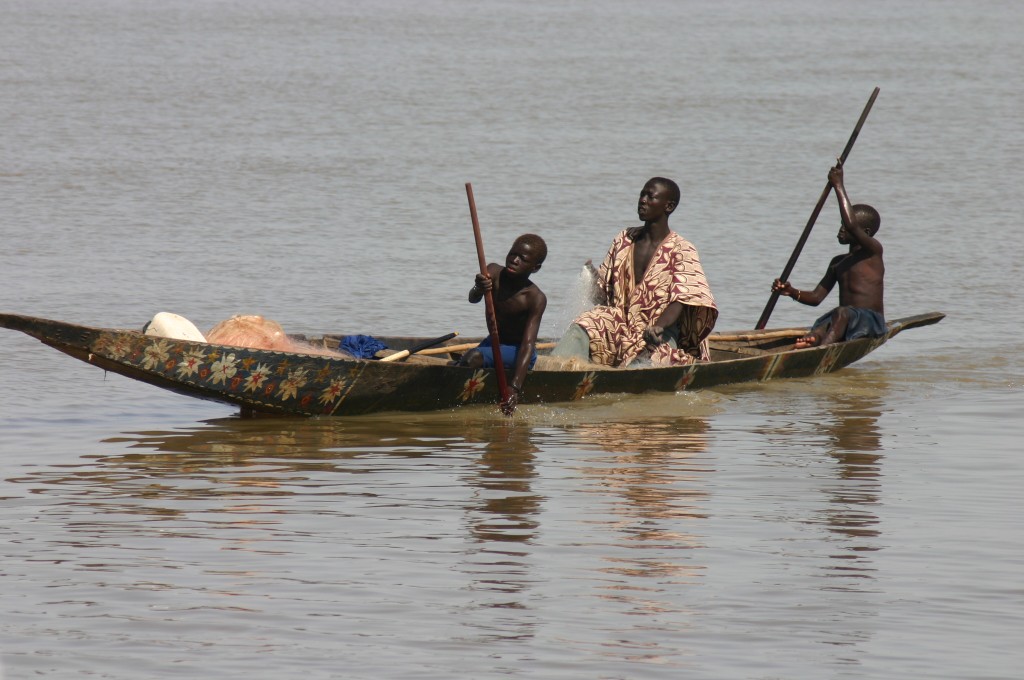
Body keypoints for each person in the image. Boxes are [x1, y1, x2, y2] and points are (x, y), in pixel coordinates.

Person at [550, 177, 718, 367]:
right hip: (620, 324)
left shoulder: (682, 249)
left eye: (651, 197)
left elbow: (683, 299)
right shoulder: (624, 239)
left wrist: (658, 327)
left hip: (660, 331)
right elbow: (604, 298)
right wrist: (592, 279)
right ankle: (555, 368)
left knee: (651, 359)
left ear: (668, 206)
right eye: (642, 195)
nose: (643, 200)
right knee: (585, 322)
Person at [772, 161, 885, 348]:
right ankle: (814, 339)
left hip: (870, 321)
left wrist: (838, 185)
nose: (842, 229)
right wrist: (791, 292)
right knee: (826, 322)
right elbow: (816, 298)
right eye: (841, 224)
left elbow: (852, 225)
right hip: (846, 319)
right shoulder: (837, 263)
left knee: (841, 313)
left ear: (864, 232)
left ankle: (822, 349)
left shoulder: (873, 252)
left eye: (845, 226)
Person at [458, 233, 548, 414]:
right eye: (512, 254)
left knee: (472, 358)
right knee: (460, 363)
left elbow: (528, 345)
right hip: (493, 342)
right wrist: (479, 288)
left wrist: (514, 387)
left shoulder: (535, 298)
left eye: (522, 259)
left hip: (518, 351)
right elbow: (472, 298)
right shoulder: (493, 272)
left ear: (535, 268)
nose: (514, 260)